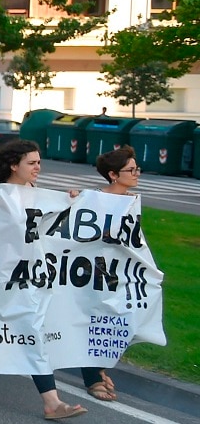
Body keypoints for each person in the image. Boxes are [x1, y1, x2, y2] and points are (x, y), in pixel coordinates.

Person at [0, 140, 88, 419]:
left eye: (39, 162)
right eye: (32, 163)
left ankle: (51, 401)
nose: (38, 167)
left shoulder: (37, 194)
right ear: (15, 165)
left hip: (27, 278)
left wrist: (67, 202)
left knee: (32, 331)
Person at [80, 147, 143, 403]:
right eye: (131, 170)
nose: (136, 173)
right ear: (113, 174)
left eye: (137, 169)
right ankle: (93, 377)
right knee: (91, 322)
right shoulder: (92, 198)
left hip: (118, 274)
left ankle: (100, 369)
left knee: (118, 321)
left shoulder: (132, 201)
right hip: (89, 272)